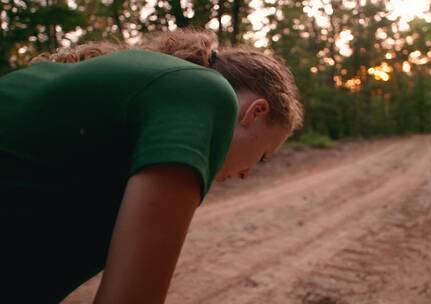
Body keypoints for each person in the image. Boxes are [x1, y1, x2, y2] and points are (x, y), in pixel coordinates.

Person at [0, 28, 303, 303]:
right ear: (255, 112)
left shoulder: (114, 86)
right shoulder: (206, 93)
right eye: (263, 155)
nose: (245, 174)